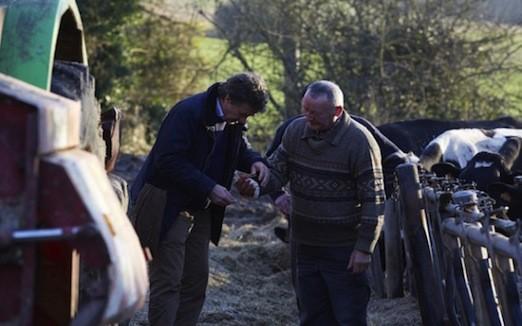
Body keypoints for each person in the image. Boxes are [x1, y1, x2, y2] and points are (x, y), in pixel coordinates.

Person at [238, 80, 385, 325]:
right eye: (305, 109)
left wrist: (364, 248)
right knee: (311, 316)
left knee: (348, 317)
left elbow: (374, 200)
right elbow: (276, 172)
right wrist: (255, 186)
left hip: (343, 249)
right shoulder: (295, 131)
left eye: (315, 113)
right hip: (304, 244)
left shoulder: (360, 143)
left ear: (337, 112)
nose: (308, 117)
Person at [130, 72, 270, 326]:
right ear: (227, 98)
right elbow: (167, 161)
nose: (243, 120)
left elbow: (239, 149)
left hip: (201, 208)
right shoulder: (187, 113)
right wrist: (209, 188)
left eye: (247, 117)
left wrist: (255, 162)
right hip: (168, 205)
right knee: (169, 280)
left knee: (195, 281)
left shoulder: (233, 121)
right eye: (242, 114)